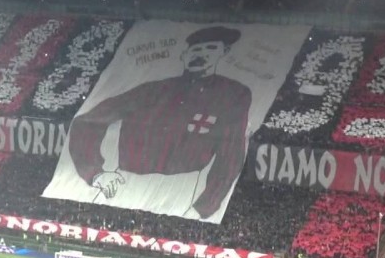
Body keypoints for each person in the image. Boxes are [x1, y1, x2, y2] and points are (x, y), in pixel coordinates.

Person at [64, 26, 252, 220]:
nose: (201, 54)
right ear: (184, 55)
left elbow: (230, 154)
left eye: (211, 48)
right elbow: (86, 122)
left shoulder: (233, 94)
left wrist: (205, 206)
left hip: (183, 191)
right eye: (196, 49)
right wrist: (96, 173)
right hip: (125, 185)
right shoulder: (152, 90)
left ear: (224, 52)